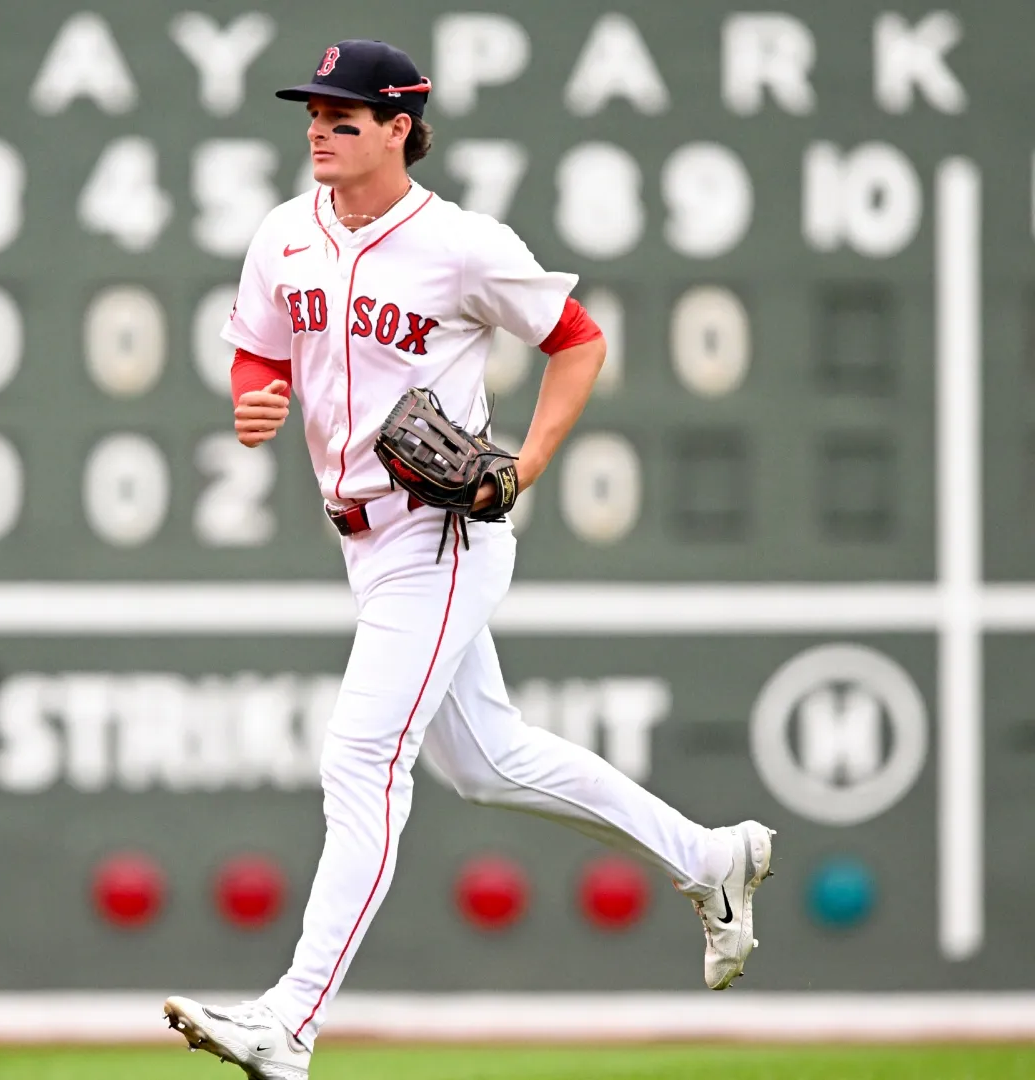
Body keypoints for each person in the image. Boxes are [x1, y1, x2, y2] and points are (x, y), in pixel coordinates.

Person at [161, 39, 775, 1080]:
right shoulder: (283, 236)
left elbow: (576, 340)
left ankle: (291, 1020)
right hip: (358, 539)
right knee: (488, 762)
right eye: (313, 112)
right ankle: (711, 859)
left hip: (439, 535)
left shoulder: (459, 245)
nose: (318, 128)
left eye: (343, 117)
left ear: (400, 129)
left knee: (361, 760)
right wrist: (251, 397)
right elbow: (260, 347)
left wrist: (526, 464)